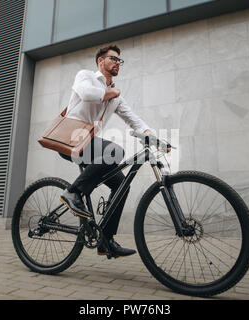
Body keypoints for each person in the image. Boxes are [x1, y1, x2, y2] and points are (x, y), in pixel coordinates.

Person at [59, 45, 153, 258]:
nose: (118, 62)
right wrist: (110, 92)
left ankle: (106, 241)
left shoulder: (116, 96)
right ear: (100, 61)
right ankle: (73, 192)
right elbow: (86, 94)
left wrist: (152, 135)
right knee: (114, 151)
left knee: (121, 184)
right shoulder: (86, 76)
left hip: (88, 141)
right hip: (70, 137)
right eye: (113, 58)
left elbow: (133, 118)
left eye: (120, 60)